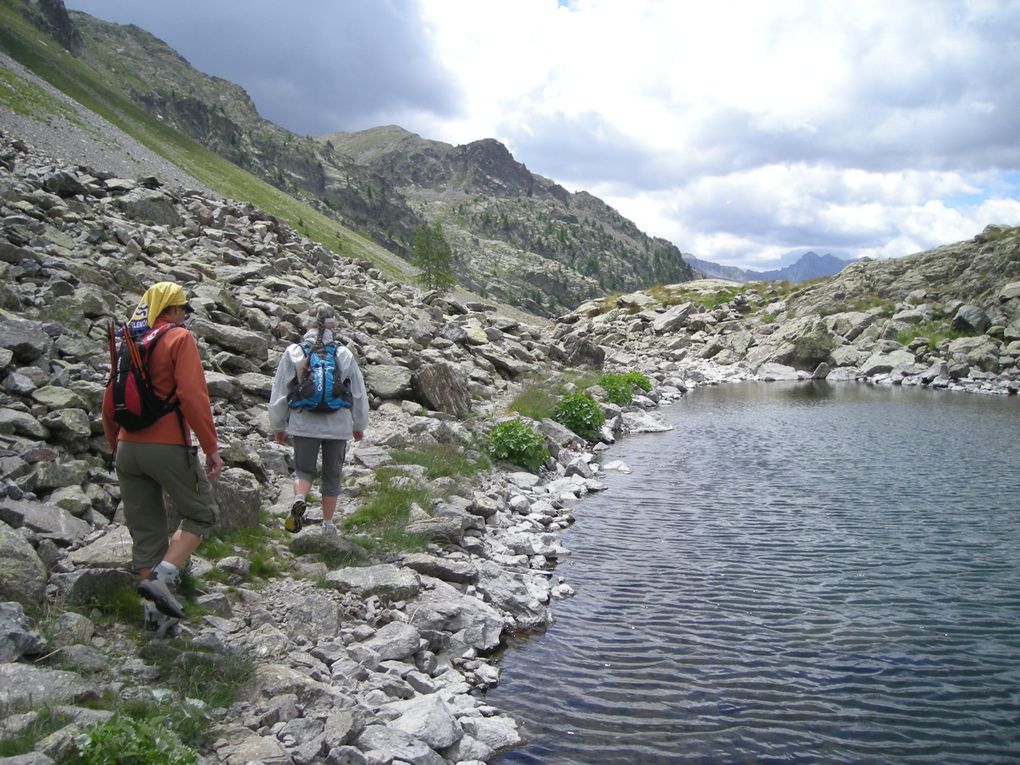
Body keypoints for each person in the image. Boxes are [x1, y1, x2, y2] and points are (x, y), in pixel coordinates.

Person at [101, 281, 223, 637]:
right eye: (183, 309)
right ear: (170, 310)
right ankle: (162, 577)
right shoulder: (178, 339)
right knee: (202, 512)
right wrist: (210, 446)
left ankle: (155, 625)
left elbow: (109, 402)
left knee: (147, 536)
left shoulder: (129, 343)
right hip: (167, 445)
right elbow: (192, 396)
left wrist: (118, 446)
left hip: (127, 448)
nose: (185, 316)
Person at [268, 306, 368, 534]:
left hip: (304, 422)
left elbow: (280, 391)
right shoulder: (344, 354)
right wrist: (359, 426)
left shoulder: (294, 351)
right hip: (338, 424)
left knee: (304, 471)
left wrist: (278, 425)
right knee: (332, 476)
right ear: (334, 326)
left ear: (308, 324)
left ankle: (300, 497)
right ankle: (328, 524)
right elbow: (358, 393)